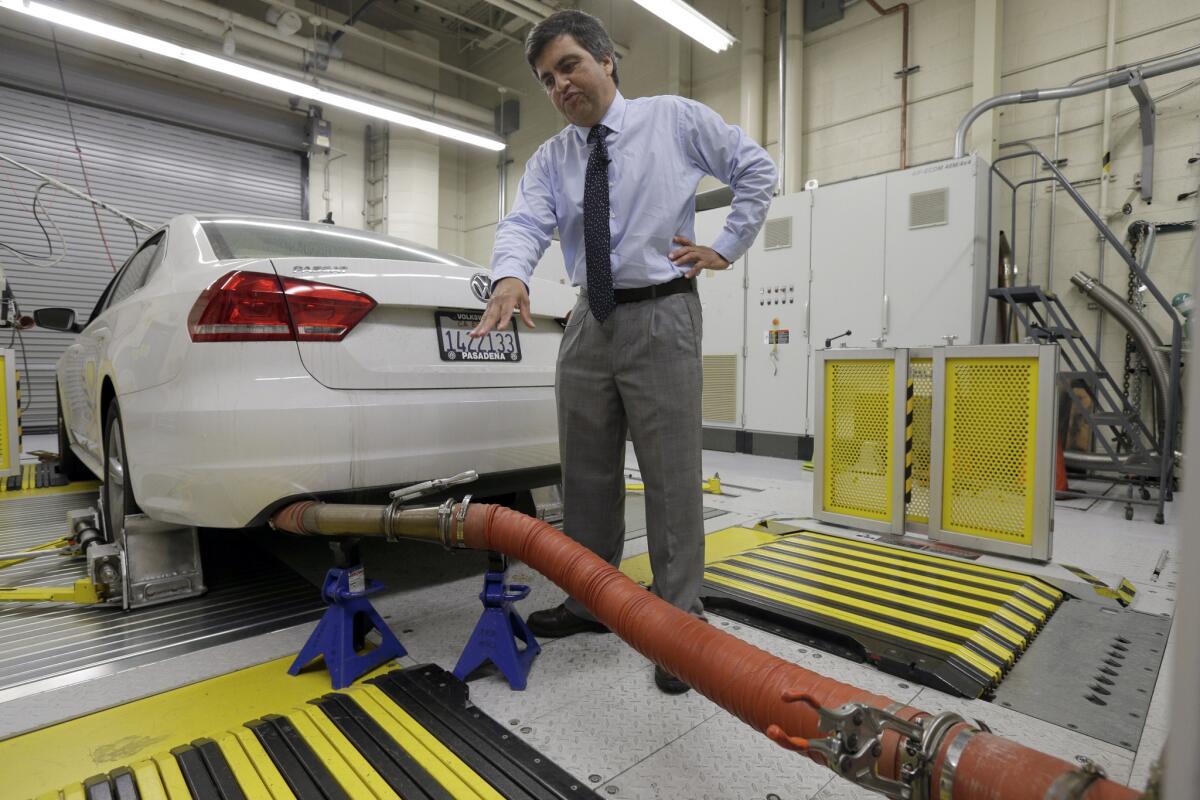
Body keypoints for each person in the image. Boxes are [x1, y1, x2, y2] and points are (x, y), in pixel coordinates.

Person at [470, 9, 776, 694]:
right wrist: (512, 272)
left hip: (661, 312)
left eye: (569, 65)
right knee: (585, 471)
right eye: (547, 80)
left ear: (607, 60)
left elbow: (757, 170)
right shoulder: (553, 158)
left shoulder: (673, 121)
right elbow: (524, 222)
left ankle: (678, 625)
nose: (560, 86)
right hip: (589, 319)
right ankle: (589, 600)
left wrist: (724, 246)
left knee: (670, 475)